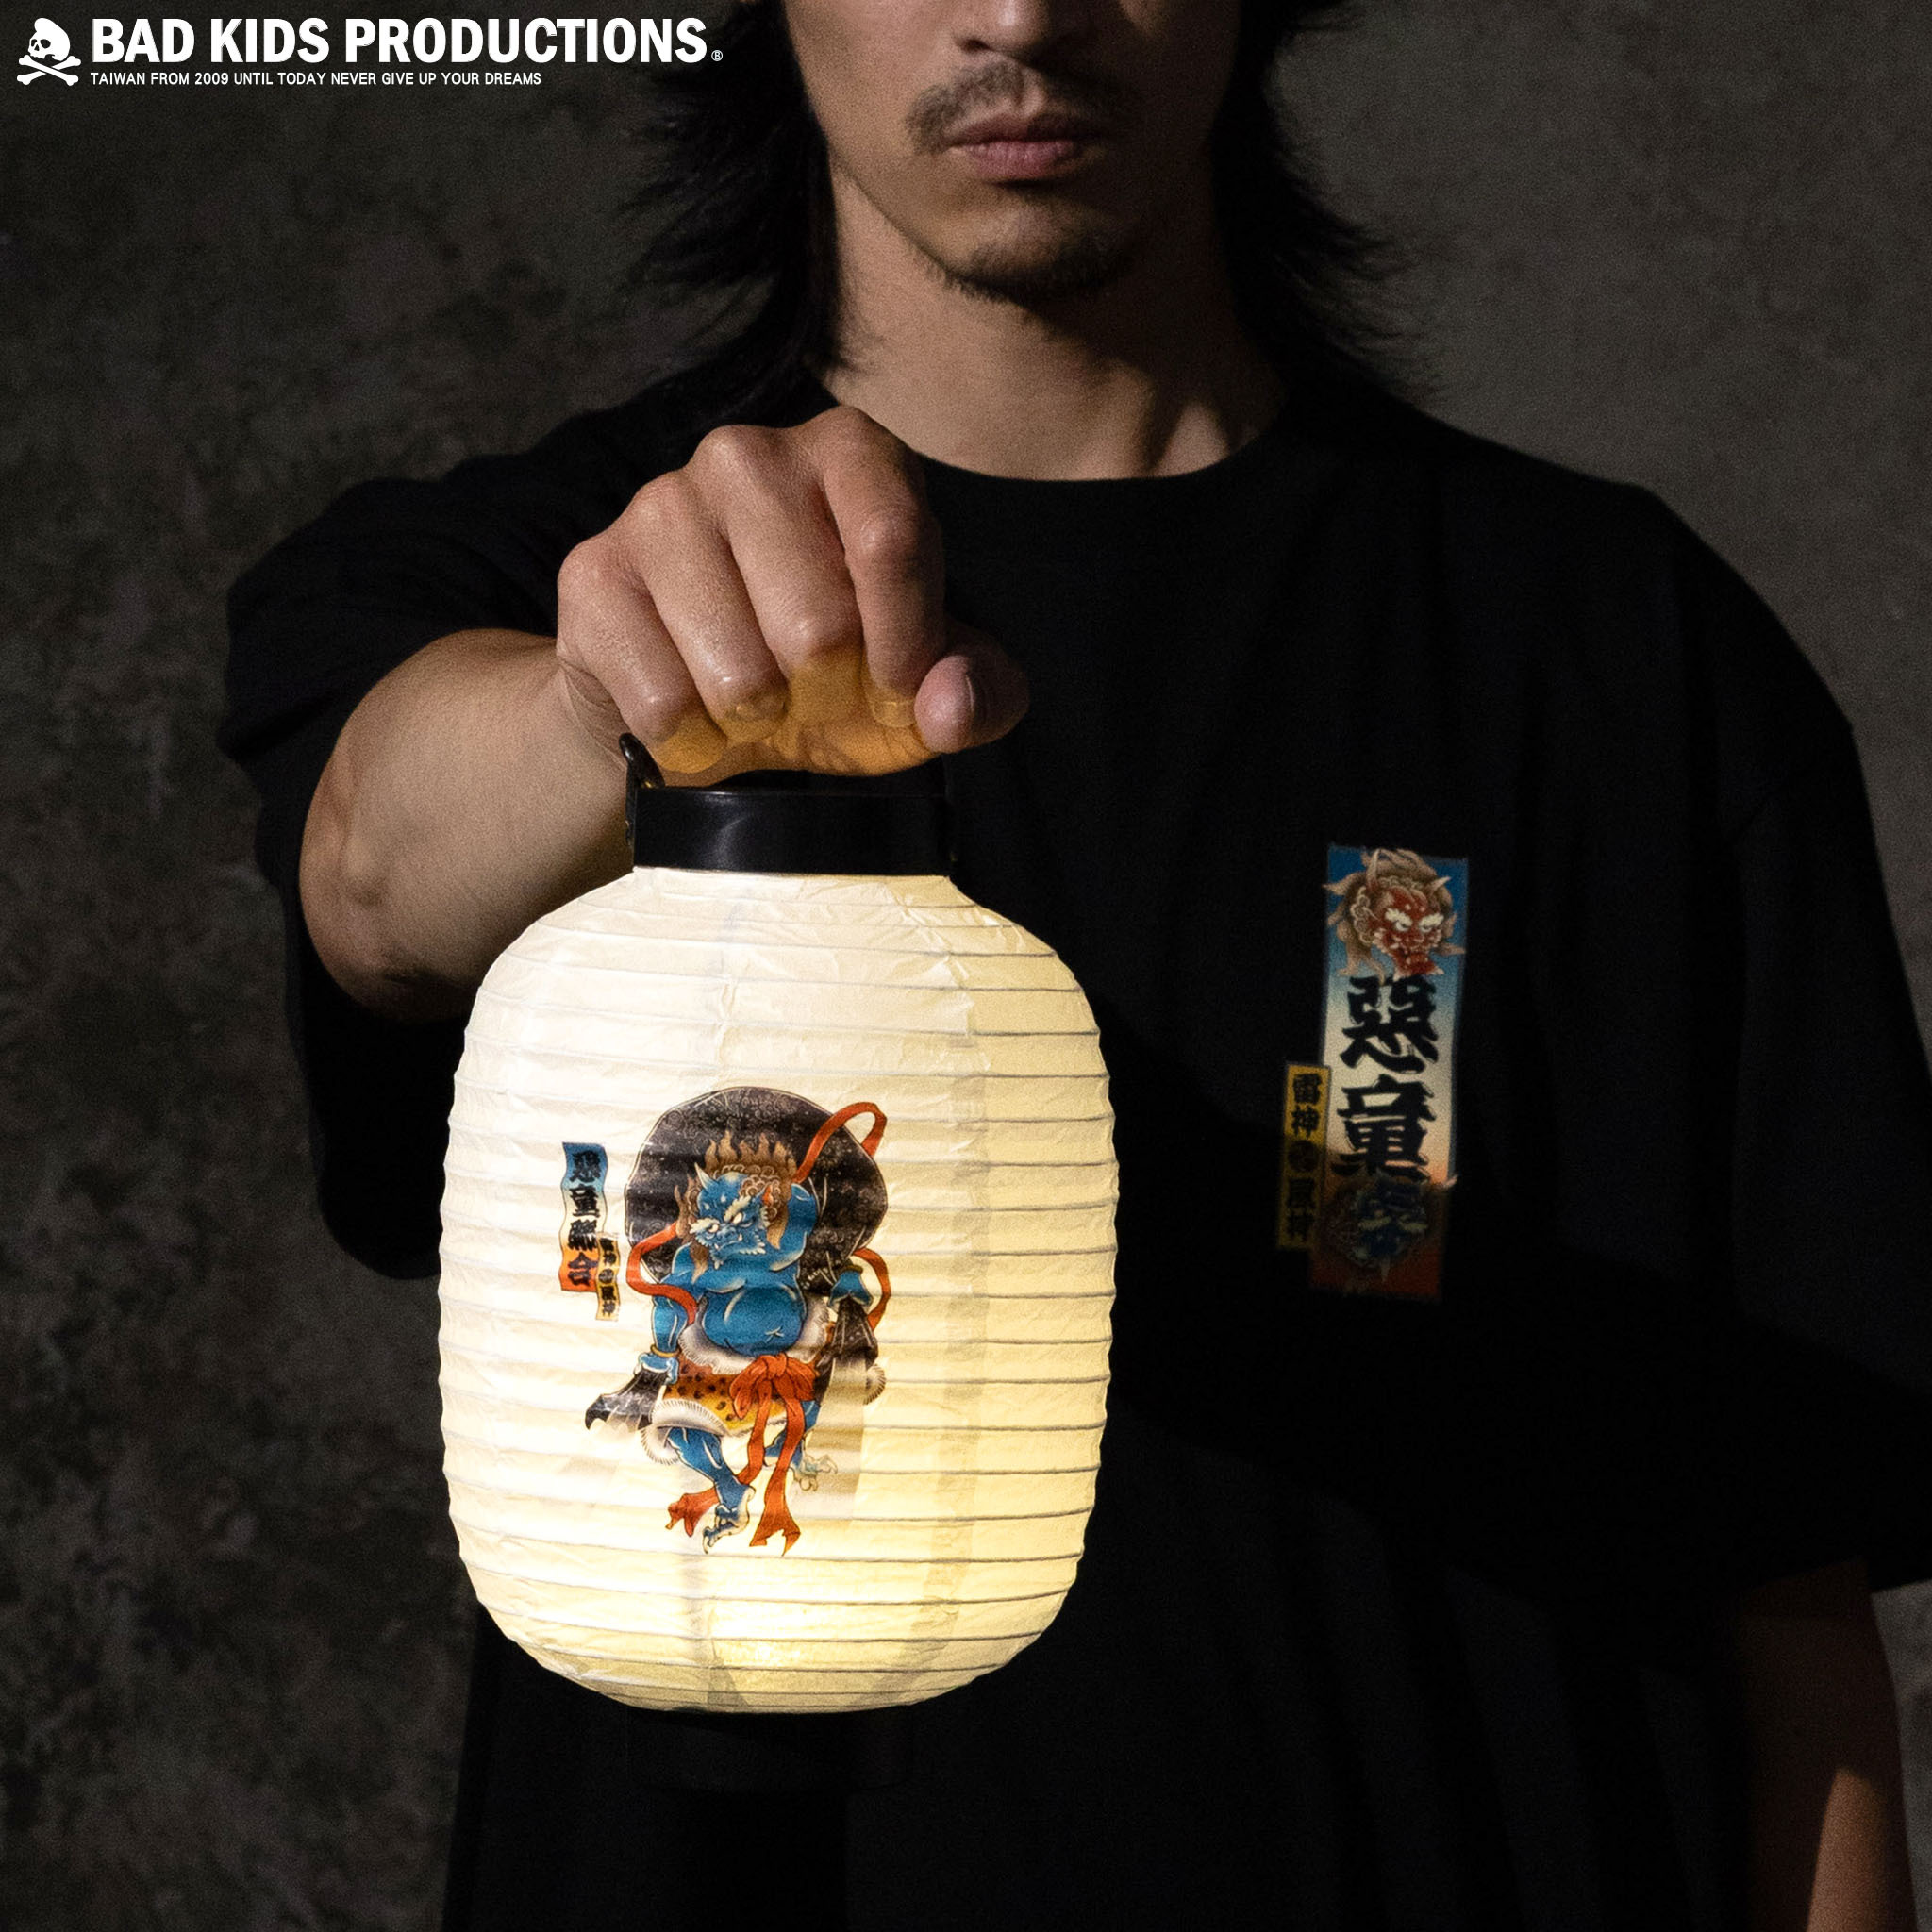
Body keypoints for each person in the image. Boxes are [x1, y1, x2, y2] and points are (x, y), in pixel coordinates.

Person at [219, 2, 1932, 1926]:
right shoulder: (542, 572)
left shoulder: (1611, 647)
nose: (1022, 15)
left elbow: (1793, 1588)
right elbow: (375, 873)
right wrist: (612, 697)